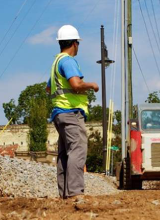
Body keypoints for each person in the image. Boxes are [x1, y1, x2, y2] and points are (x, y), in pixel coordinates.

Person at [46, 25, 99, 199]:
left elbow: (48, 88)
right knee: (77, 150)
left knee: (64, 154)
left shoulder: (56, 62)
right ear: (75, 43)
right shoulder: (68, 61)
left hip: (59, 113)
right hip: (70, 113)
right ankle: (75, 193)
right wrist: (91, 85)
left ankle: (64, 194)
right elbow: (76, 84)